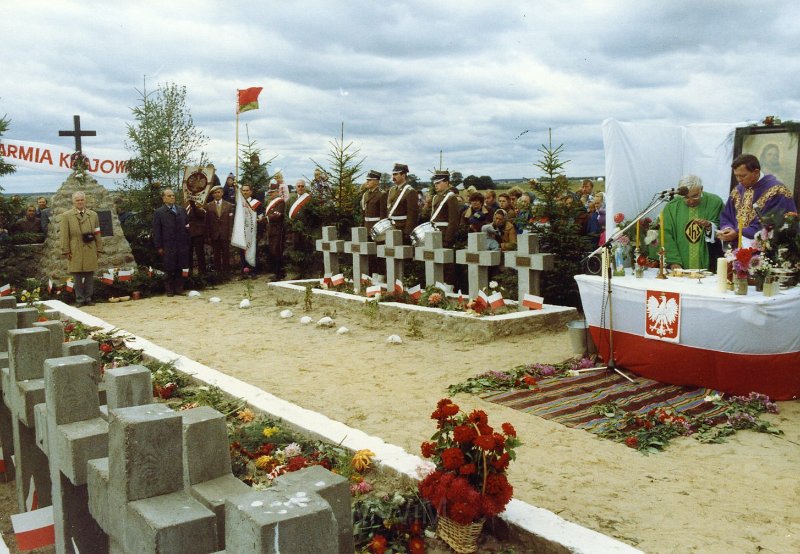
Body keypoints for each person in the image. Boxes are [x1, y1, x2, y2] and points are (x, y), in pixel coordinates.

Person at [718, 154, 797, 247]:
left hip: (764, 250)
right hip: (736, 248)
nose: (739, 180)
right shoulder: (738, 190)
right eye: (736, 176)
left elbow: (773, 223)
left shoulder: (777, 191)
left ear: (756, 172)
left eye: (743, 176)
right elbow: (727, 215)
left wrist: (738, 232)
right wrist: (727, 228)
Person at [662, 175, 724, 271]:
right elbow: (666, 235)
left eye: (695, 196)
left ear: (701, 189)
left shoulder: (715, 202)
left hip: (710, 261)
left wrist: (709, 226)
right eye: (685, 197)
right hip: (680, 264)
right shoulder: (671, 206)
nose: (690, 201)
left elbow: (724, 229)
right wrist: (674, 261)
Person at [59, 191, 102, 306]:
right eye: (77, 200)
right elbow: (64, 235)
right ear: (73, 202)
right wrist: (66, 250)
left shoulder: (93, 215)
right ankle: (79, 299)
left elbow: (97, 232)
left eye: (82, 200)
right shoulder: (66, 216)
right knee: (77, 276)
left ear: (85, 201)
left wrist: (99, 248)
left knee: (89, 275)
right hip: (75, 248)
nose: (80, 202)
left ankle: (88, 298)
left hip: (90, 247)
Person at [152, 188, 190, 296]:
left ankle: (179, 288)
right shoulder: (159, 212)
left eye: (173, 195)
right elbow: (157, 231)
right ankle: (169, 290)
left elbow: (187, 226)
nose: (172, 197)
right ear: (163, 198)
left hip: (181, 244)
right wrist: (159, 246)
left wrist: (187, 241)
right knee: (169, 268)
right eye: (169, 196)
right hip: (168, 245)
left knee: (180, 267)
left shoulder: (181, 210)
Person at [231, 182, 263, 274]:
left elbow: (261, 217)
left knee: (253, 251)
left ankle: (254, 271)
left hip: (253, 232)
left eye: (247, 190)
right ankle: (244, 271)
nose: (245, 192)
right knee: (242, 251)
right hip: (242, 232)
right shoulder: (239, 204)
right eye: (243, 190)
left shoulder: (257, 203)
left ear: (251, 192)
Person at [385, 163, 419, 244]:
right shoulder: (392, 190)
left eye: (396, 174)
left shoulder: (410, 191)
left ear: (403, 175)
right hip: (391, 228)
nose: (393, 177)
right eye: (393, 174)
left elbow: (412, 215)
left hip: (402, 229)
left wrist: (407, 233)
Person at [204, 185, 235, 275]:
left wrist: (230, 234)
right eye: (215, 193)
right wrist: (208, 236)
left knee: (226, 254)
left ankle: (226, 274)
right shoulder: (208, 206)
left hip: (225, 234)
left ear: (222, 193)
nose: (217, 194)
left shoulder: (229, 205)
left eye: (218, 192)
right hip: (214, 235)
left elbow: (231, 222)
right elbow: (207, 223)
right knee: (216, 255)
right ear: (213, 195)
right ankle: (218, 274)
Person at [430, 171, 461, 248]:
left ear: (446, 182)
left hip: (444, 234)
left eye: (438, 183)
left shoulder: (451, 197)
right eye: (435, 183)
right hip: (434, 234)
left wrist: (447, 239)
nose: (436, 185)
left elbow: (453, 221)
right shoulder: (436, 197)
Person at [264, 182, 286, 279]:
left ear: (277, 192)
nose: (271, 194)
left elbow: (277, 215)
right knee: (273, 251)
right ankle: (276, 272)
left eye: (272, 192)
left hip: (277, 230)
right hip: (271, 230)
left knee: (277, 251)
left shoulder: (280, 202)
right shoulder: (271, 202)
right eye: (270, 192)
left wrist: (266, 219)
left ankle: (279, 273)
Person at [361, 170, 386, 235]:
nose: (367, 182)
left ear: (376, 182)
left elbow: (383, 215)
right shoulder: (365, 194)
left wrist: (381, 230)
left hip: (376, 228)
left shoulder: (382, 194)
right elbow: (364, 213)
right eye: (367, 180)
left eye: (370, 180)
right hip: (366, 227)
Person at [186, 198, 207, 274]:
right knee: (188, 254)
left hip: (198, 234)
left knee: (200, 254)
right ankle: (189, 274)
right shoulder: (186, 206)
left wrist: (193, 205)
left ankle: (203, 273)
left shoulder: (199, 205)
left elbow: (201, 214)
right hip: (188, 234)